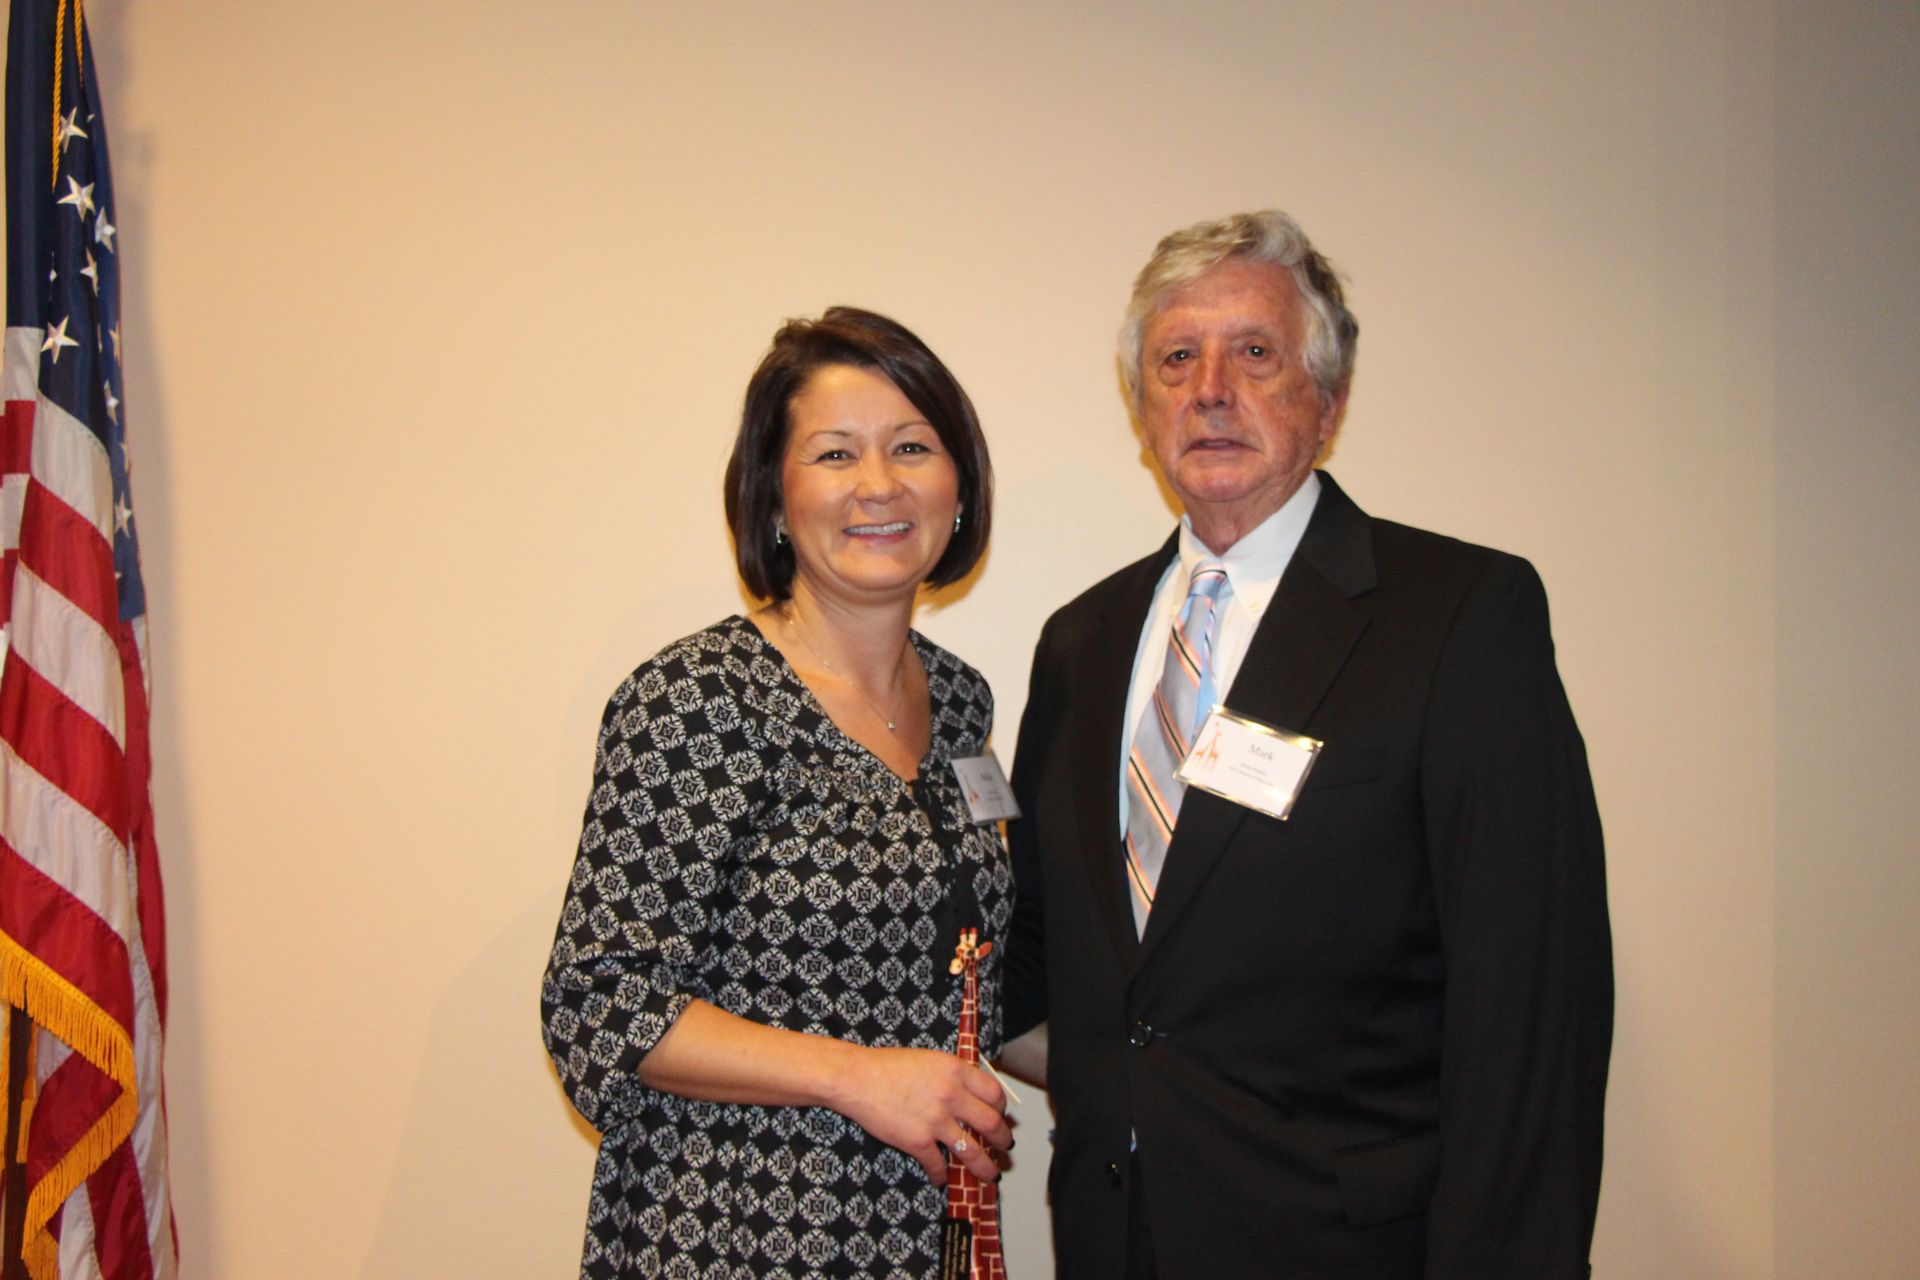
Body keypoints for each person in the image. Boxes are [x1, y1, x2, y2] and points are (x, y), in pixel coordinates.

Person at [998, 211, 1613, 1279]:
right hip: (1114, 1239)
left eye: (1255, 353)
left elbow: (1531, 1015)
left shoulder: (1459, 616)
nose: (1210, 389)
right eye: (1176, 358)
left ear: (1326, 403)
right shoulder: (1080, 642)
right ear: (1142, 410)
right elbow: (1058, 955)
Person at [542, 307, 1014, 1279]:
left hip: (920, 1239)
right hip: (732, 1236)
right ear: (772, 497)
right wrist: (858, 1076)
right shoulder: (698, 699)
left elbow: (972, 967)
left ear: (957, 488)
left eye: (912, 446)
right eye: (836, 453)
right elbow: (598, 997)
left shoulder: (964, 700)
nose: (879, 484)